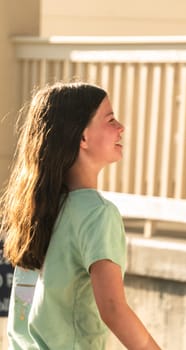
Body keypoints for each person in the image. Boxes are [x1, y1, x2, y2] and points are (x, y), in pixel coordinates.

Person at [0, 81, 162, 350]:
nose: (121, 127)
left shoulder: (36, 210)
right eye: (110, 120)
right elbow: (113, 309)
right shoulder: (98, 214)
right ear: (82, 137)